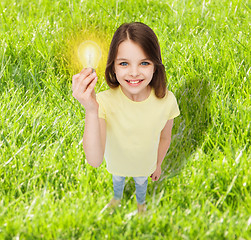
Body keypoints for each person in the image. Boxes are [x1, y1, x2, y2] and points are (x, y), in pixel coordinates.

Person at [72, 22, 180, 214]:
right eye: (124, 63)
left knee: (141, 185)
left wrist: (158, 164)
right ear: (113, 67)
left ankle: (141, 205)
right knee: (118, 182)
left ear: (156, 66)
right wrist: (90, 109)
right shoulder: (103, 102)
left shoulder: (167, 101)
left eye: (144, 63)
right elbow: (95, 160)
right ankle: (116, 199)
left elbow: (165, 137)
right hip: (117, 166)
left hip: (144, 167)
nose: (134, 72)